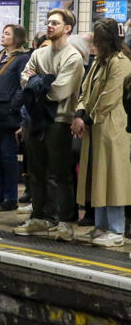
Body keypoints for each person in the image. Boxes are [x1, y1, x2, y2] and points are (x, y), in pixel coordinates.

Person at [15, 9, 84, 240]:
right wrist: (43, 81)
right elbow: (25, 79)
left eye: (55, 22)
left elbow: (59, 91)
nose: (49, 25)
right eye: (48, 22)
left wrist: (40, 82)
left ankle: (63, 222)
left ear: (67, 28)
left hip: (59, 121)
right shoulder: (39, 53)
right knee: (36, 172)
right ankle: (39, 217)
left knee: (59, 174)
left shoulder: (72, 57)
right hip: (36, 119)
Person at [72, 19, 131, 247]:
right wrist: (79, 112)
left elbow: (109, 97)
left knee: (113, 177)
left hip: (113, 129)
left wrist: (84, 118)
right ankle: (101, 226)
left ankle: (116, 231)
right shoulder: (99, 62)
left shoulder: (121, 62)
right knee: (98, 177)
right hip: (95, 127)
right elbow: (85, 90)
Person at [0, 24, 29, 212]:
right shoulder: (0, 56)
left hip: (9, 112)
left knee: (7, 156)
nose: (2, 36)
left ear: (17, 38)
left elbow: (22, 86)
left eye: (7, 34)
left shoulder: (21, 59)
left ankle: (10, 196)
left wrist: (14, 106)